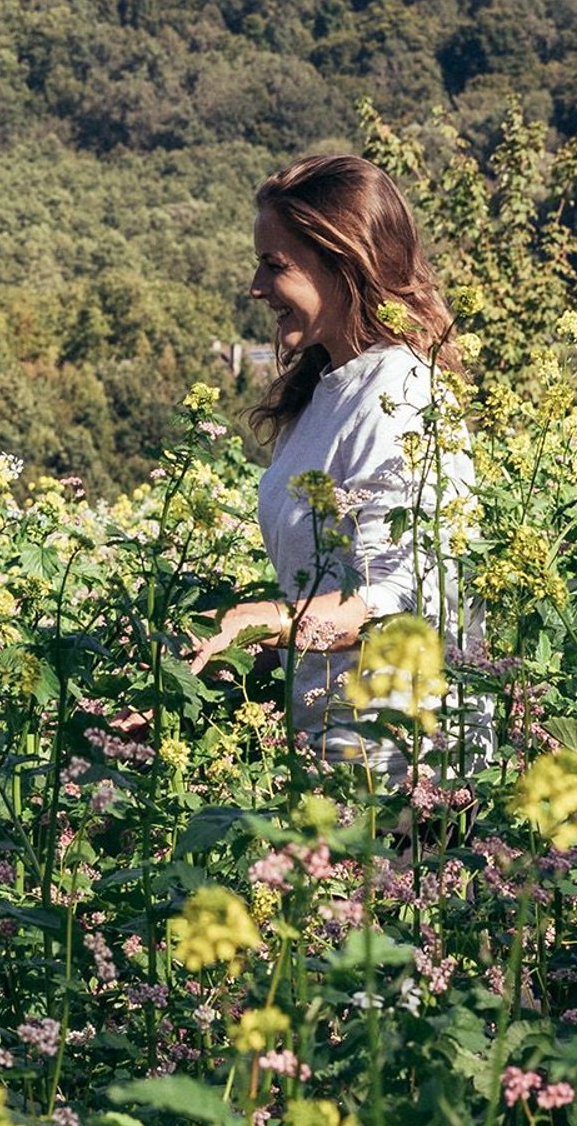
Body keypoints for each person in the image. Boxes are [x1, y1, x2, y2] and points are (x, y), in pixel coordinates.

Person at [185, 153, 475, 748]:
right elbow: (316, 608)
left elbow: (402, 598)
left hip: (402, 777)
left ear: (344, 265)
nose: (256, 287)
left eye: (275, 265)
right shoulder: (320, 393)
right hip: (329, 755)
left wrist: (254, 621)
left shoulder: (401, 394)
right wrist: (202, 678)